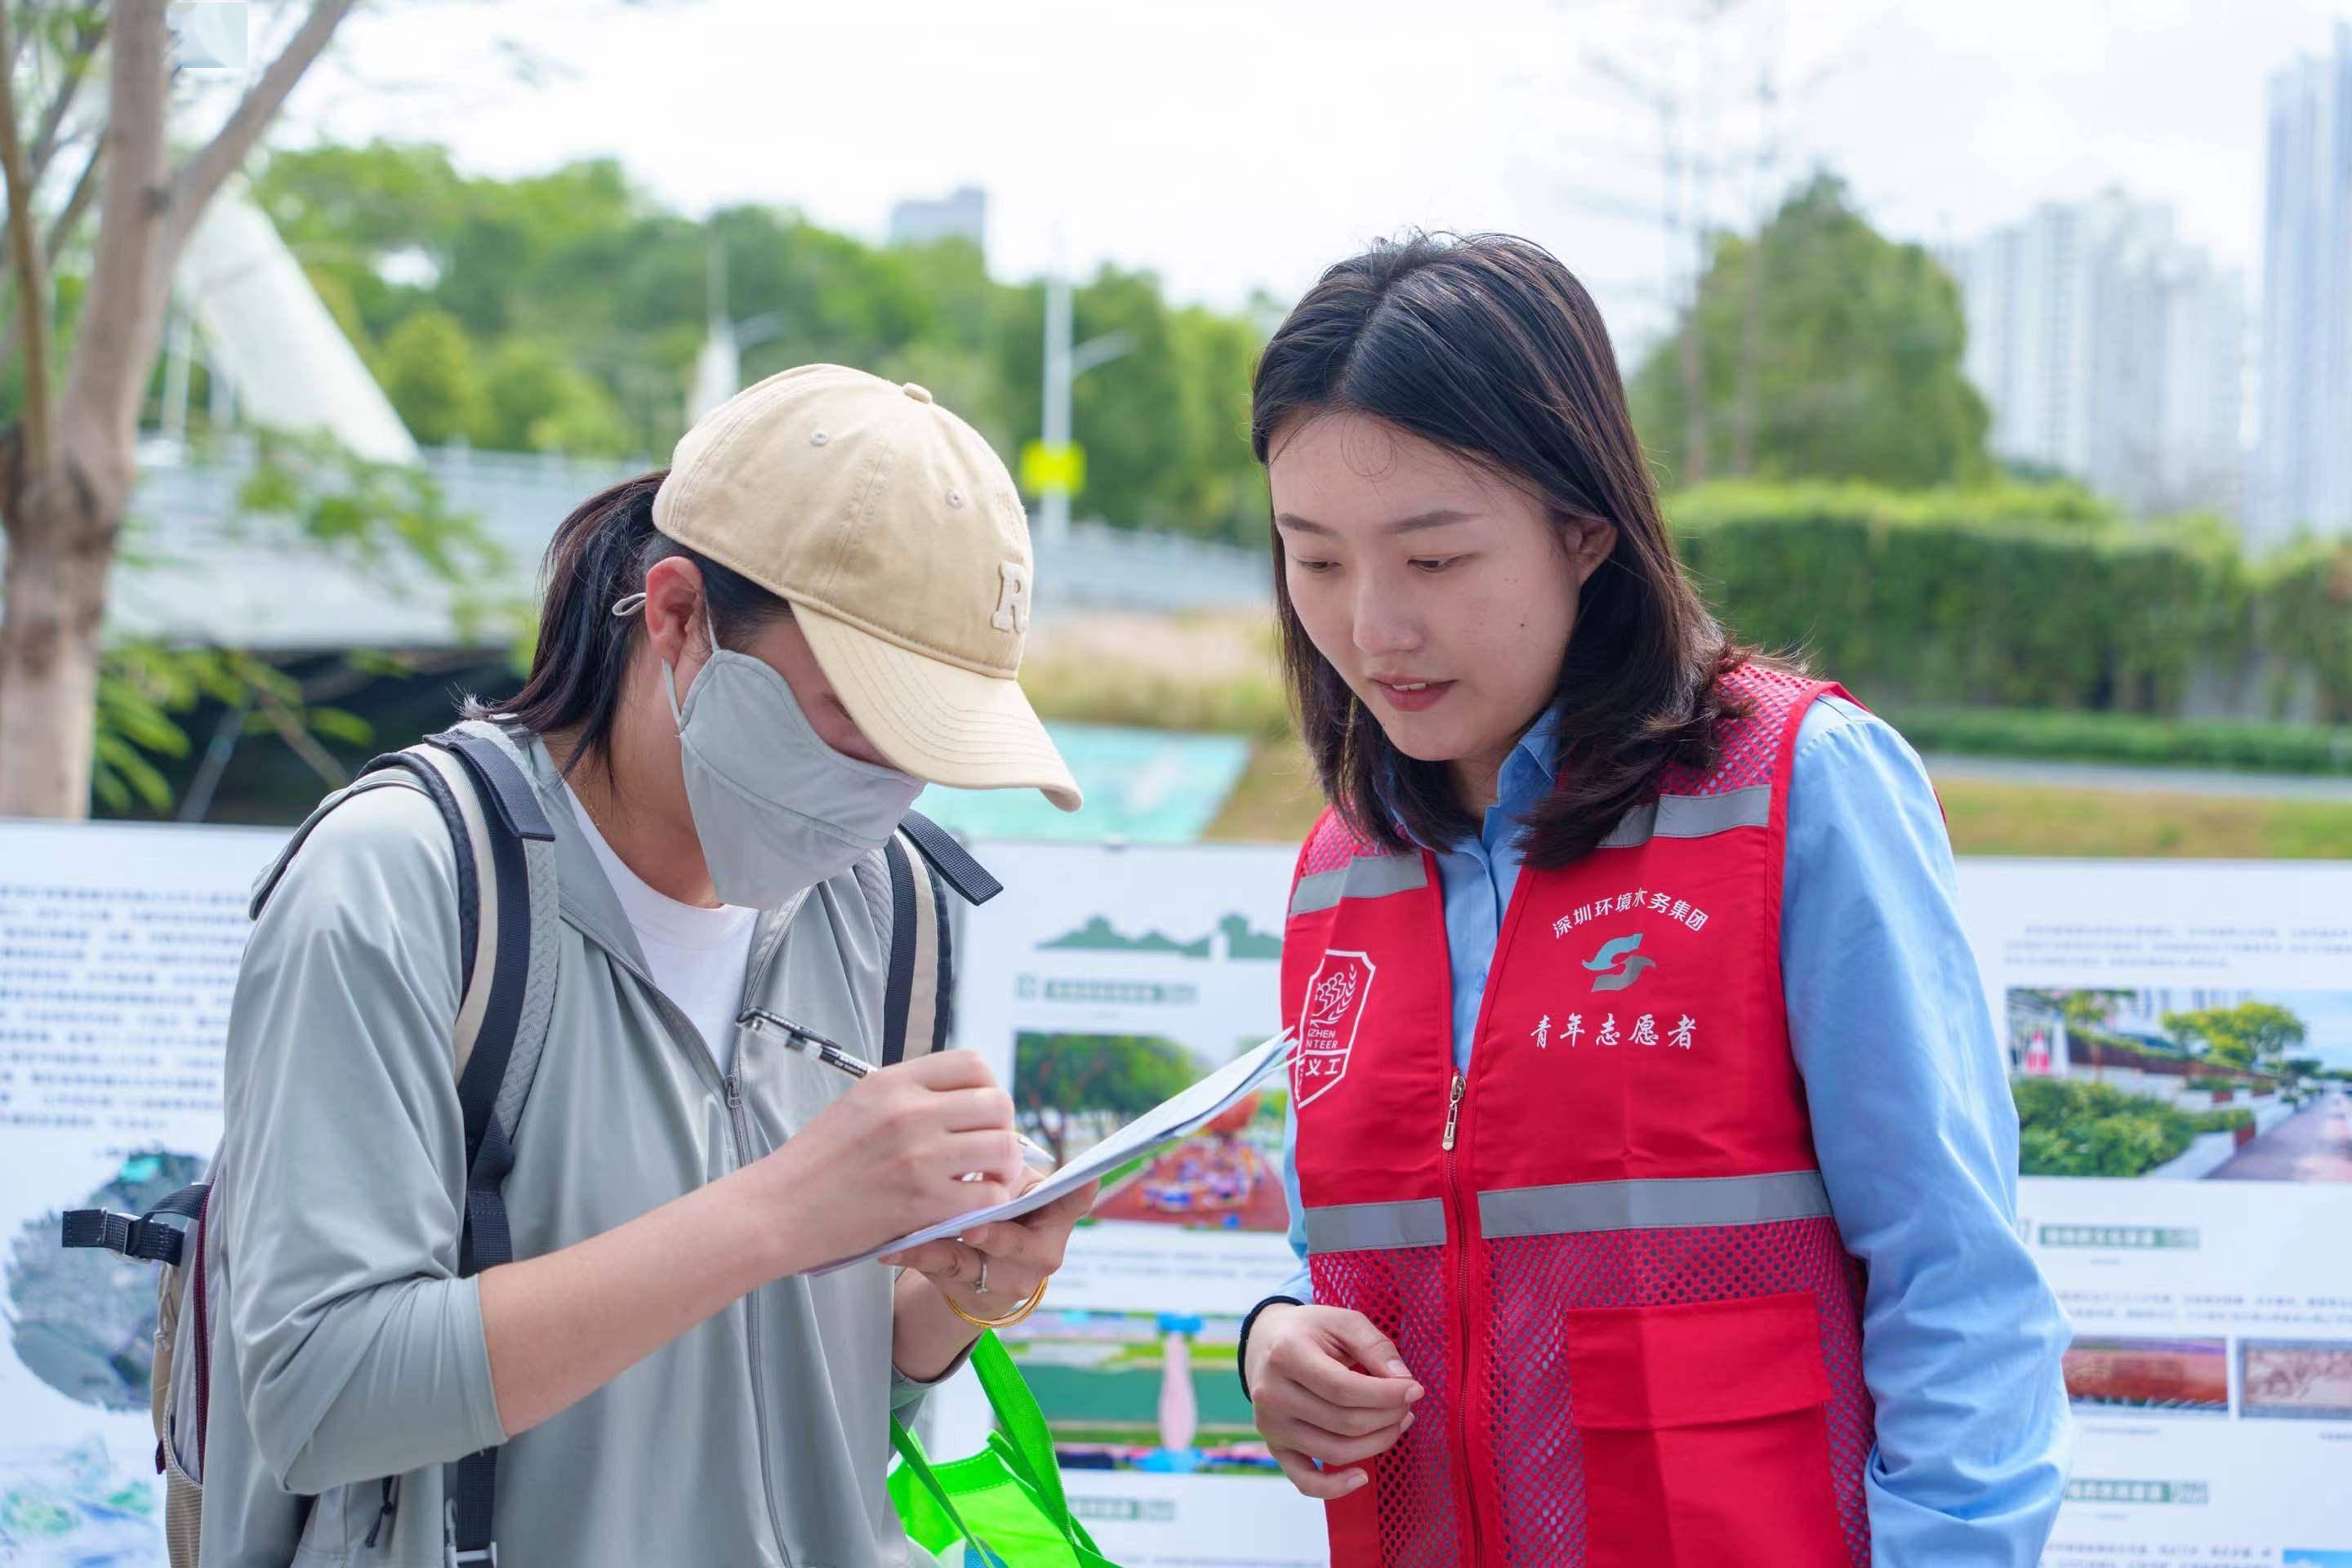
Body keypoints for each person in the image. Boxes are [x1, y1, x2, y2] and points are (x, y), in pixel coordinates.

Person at [1235, 236, 2071, 1566]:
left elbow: (1957, 1278)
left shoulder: (1798, 791)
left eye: (1436, 560)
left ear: (1585, 529)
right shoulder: (1339, 872)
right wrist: (1274, 1339)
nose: (1373, 625)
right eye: (1316, 562)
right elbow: (1337, 1249)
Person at [203, 366, 1097, 1566]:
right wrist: (778, 1213)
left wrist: (962, 1289)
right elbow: (319, 1394)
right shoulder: (404, 882)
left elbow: (824, 1403)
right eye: (850, 719)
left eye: (928, 749)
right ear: (675, 617)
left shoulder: (893, 908)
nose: (880, 794)